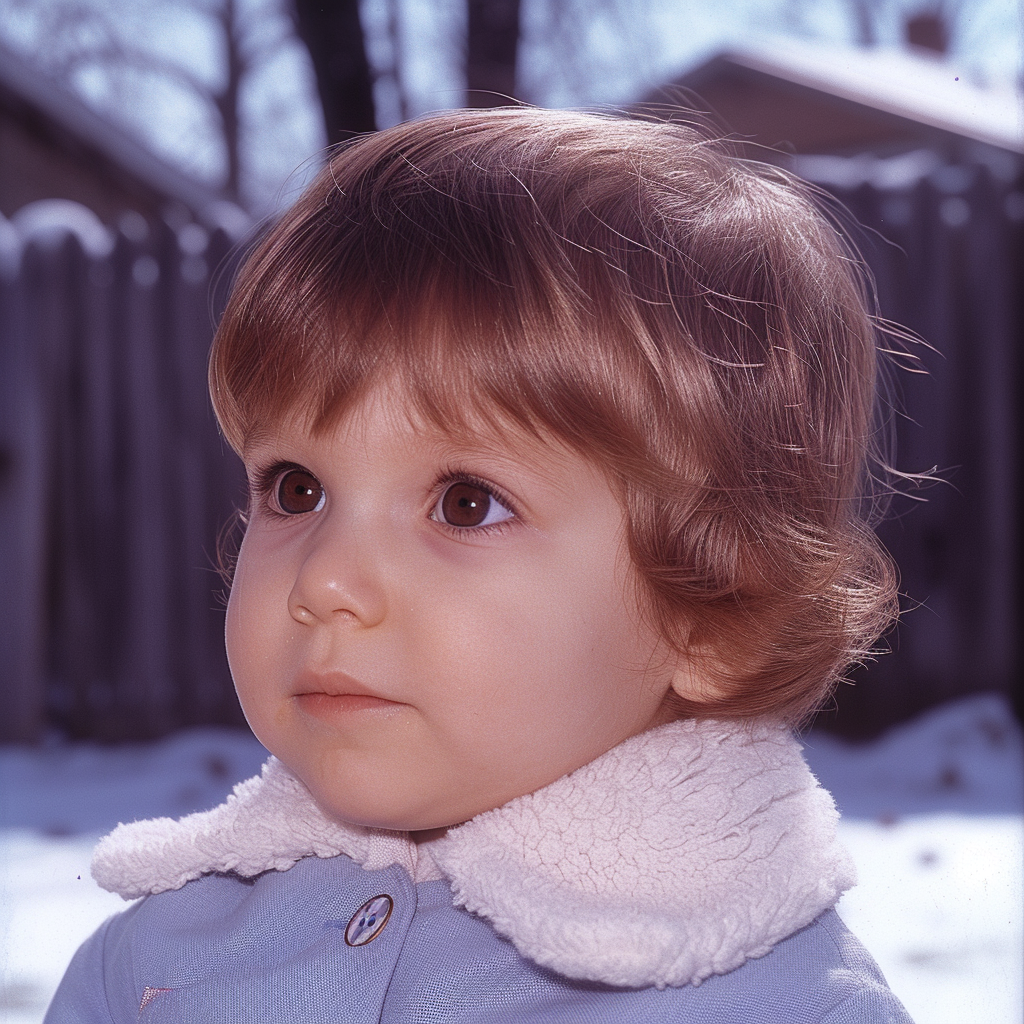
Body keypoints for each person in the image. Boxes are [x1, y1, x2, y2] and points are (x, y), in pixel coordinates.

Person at [46, 108, 915, 1023]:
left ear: (709, 613)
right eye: (296, 489)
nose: (324, 583)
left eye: (466, 503)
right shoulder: (148, 968)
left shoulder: (781, 1005)